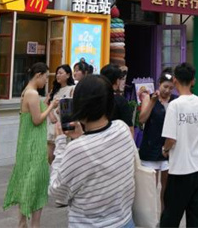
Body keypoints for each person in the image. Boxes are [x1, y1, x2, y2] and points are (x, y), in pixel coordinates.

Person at [49, 74, 137, 228]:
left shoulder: (76, 149)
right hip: (125, 221)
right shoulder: (121, 128)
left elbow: (58, 193)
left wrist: (61, 143)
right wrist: (82, 137)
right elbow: (99, 152)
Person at [4, 62, 56, 228]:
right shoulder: (32, 93)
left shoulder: (27, 91)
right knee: (36, 182)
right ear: (38, 75)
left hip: (27, 143)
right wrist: (52, 107)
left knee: (27, 180)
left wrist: (46, 103)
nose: (46, 81)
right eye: (46, 77)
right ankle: (33, 224)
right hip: (34, 144)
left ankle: (22, 222)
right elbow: (37, 119)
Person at [160, 62, 198, 228]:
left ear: (175, 80)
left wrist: (165, 149)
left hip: (180, 169)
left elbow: (170, 138)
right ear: (193, 81)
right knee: (197, 216)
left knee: (170, 217)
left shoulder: (175, 105)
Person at [138, 71, 175, 204]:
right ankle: (150, 221)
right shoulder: (149, 98)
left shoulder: (175, 100)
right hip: (150, 148)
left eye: (171, 87)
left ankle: (163, 220)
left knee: (167, 191)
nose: (167, 90)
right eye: (165, 86)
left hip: (168, 150)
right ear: (159, 84)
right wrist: (152, 102)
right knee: (150, 190)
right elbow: (141, 119)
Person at [46, 64, 75, 165]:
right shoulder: (54, 90)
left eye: (60, 73)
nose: (58, 75)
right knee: (50, 154)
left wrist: (61, 108)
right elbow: (46, 103)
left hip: (64, 125)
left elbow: (73, 104)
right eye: (57, 73)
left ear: (68, 75)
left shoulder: (72, 88)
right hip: (52, 123)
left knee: (62, 153)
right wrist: (51, 114)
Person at [100, 64, 134, 138]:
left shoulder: (95, 99)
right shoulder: (120, 100)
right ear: (117, 81)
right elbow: (129, 129)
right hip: (116, 143)